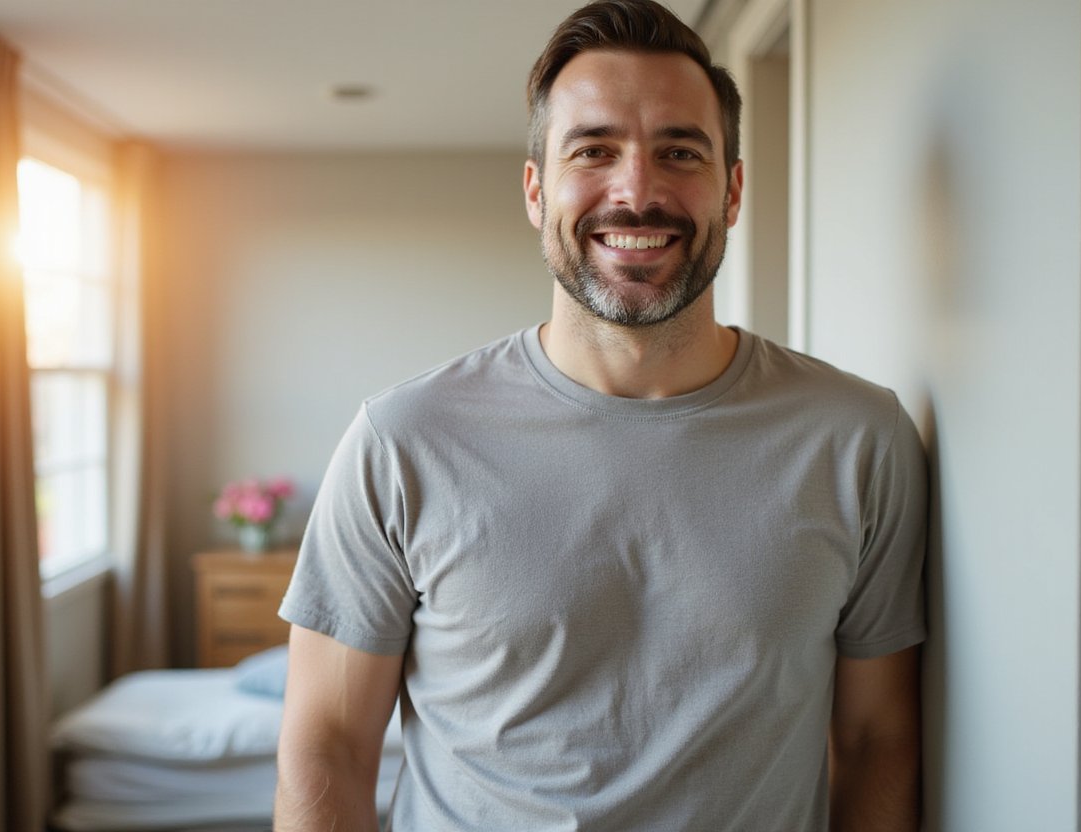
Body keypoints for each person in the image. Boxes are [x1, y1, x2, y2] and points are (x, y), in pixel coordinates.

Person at [275, 1, 926, 829]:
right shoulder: (402, 441)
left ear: (731, 190)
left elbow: (877, 741)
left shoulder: (859, 440)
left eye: (679, 151)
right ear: (536, 189)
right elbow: (326, 745)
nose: (638, 191)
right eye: (594, 150)